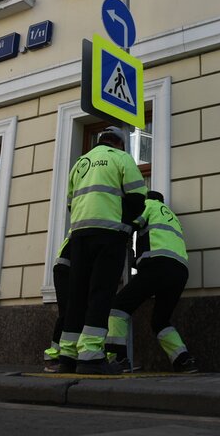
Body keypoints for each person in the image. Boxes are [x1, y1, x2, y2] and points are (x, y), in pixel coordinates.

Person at [59, 126, 147, 375]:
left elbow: (70, 203)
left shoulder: (80, 163)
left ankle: (68, 355)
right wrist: (126, 225)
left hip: (79, 235)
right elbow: (138, 198)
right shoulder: (121, 158)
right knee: (101, 293)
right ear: (119, 143)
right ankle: (90, 356)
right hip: (109, 234)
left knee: (78, 294)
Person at [105, 191, 198, 373]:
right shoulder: (171, 216)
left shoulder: (148, 206)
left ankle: (117, 359)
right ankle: (183, 360)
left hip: (157, 265)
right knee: (160, 320)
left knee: (118, 307)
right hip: (179, 271)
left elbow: (131, 225)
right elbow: (159, 241)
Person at [42, 235, 70, 373]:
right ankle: (53, 357)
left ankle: (60, 355)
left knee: (69, 312)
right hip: (65, 269)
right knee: (67, 313)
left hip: (66, 267)